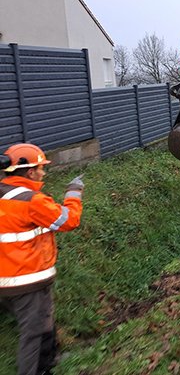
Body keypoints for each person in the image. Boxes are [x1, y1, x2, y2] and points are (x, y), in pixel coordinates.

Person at [0, 143, 84, 375]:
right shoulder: (31, 201)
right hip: (26, 279)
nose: (43, 172)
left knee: (44, 318)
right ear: (30, 172)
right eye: (41, 168)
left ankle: (50, 361)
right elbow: (68, 220)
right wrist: (73, 194)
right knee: (33, 332)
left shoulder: (4, 195)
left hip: (6, 277)